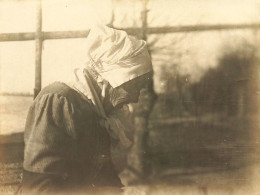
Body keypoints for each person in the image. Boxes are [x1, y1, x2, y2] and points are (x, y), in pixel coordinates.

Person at [17, 25, 153, 194]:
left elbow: (104, 179)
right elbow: (38, 188)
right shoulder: (58, 101)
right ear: (107, 80)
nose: (135, 98)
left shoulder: (100, 113)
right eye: (133, 87)